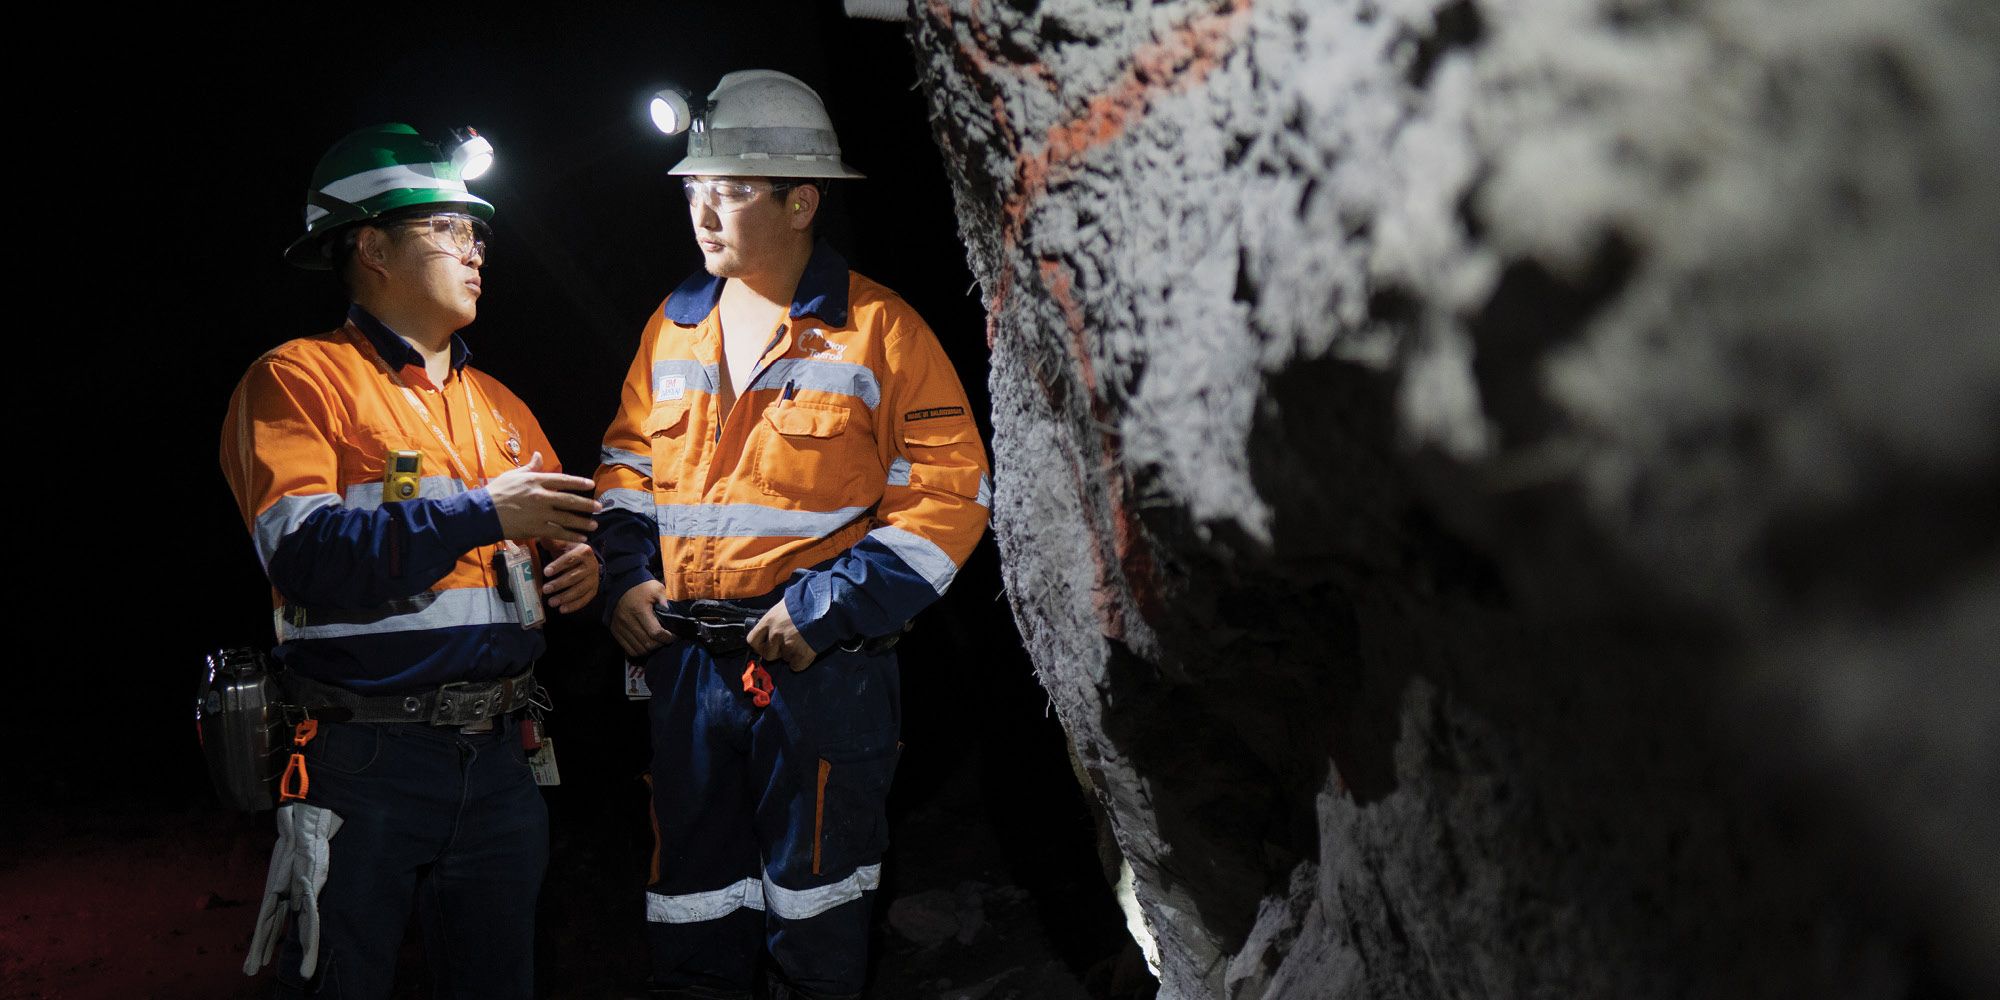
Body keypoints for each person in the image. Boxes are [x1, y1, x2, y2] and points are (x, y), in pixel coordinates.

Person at [593, 70, 992, 1000]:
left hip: (822, 672)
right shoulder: (672, 329)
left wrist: (828, 608)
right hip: (686, 672)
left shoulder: (879, 331)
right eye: (695, 189)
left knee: (815, 922)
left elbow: (951, 490)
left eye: (729, 189)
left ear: (801, 201)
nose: (704, 210)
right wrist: (622, 578)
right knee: (695, 912)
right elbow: (624, 469)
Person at [220, 122, 602, 999]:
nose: (476, 251)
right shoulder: (296, 380)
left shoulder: (498, 402)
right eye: (448, 228)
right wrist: (480, 512)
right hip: (363, 762)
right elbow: (303, 553)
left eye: (478, 233)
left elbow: (567, 534)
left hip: (505, 755)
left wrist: (591, 568)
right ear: (370, 246)